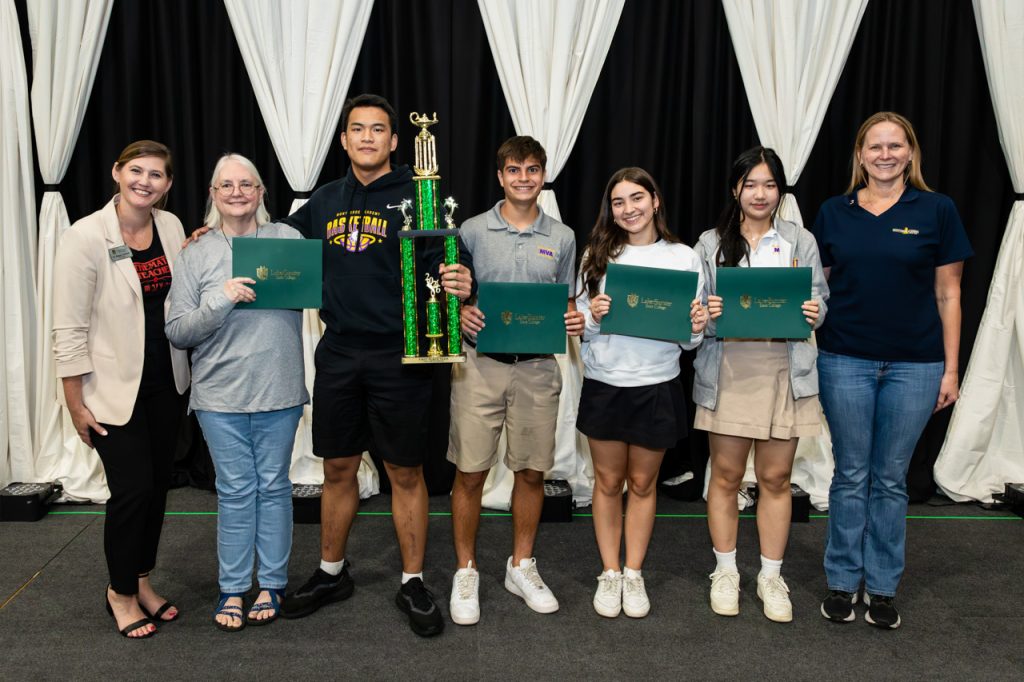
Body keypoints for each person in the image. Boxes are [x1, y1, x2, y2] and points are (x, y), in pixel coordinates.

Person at [276, 94, 473, 637]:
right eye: (357, 129)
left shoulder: (420, 194)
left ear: (393, 141)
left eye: (377, 129)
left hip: (401, 356)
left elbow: (451, 257)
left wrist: (463, 278)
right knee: (337, 468)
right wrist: (219, 235)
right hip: (338, 351)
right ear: (343, 140)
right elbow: (273, 243)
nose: (366, 137)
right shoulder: (323, 200)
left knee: (404, 472)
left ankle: (412, 581)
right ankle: (330, 572)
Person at [812, 112, 973, 630]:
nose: (885, 154)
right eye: (875, 146)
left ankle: (881, 588)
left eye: (895, 145)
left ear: (910, 153)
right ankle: (842, 581)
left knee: (890, 479)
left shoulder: (937, 209)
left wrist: (951, 370)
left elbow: (949, 293)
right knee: (851, 474)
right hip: (844, 360)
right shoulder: (833, 212)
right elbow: (819, 288)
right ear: (860, 155)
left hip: (917, 365)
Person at [53, 140, 190, 639]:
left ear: (168, 185)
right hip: (110, 391)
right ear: (117, 172)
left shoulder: (171, 227)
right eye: (136, 171)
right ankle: (119, 592)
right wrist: (74, 403)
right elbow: (67, 327)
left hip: (166, 385)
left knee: (155, 493)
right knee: (131, 492)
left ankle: (142, 581)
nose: (145, 182)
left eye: (156, 175)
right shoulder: (84, 237)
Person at [165, 154, 308, 632]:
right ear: (212, 194)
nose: (236, 192)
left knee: (274, 488)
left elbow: (319, 290)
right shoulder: (195, 254)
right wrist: (222, 297)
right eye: (225, 184)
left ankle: (271, 583)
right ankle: (232, 588)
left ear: (261, 192)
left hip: (280, 390)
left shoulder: (287, 240)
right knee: (234, 492)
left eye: (246, 184)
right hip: (219, 397)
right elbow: (178, 330)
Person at [448, 136, 584, 625]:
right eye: (514, 170)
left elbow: (567, 301)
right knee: (469, 472)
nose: (523, 178)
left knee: (532, 472)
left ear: (543, 175)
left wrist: (574, 319)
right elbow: (453, 294)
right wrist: (461, 312)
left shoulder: (564, 236)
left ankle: (521, 564)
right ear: (500, 176)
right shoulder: (471, 230)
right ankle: (466, 569)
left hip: (538, 368)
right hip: (480, 366)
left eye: (532, 169)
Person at [692, 146, 828, 623]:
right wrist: (705, 315)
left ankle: (771, 575)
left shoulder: (799, 239)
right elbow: (695, 313)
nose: (760, 193)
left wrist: (815, 311)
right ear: (736, 189)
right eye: (750, 184)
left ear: (780, 191)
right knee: (726, 478)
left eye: (770, 185)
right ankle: (725, 570)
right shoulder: (710, 243)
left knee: (775, 480)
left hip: (784, 369)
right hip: (729, 369)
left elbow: (818, 299)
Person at [575, 167, 708, 618]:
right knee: (608, 483)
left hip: (656, 383)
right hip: (605, 384)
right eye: (618, 202)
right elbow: (583, 330)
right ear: (610, 210)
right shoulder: (596, 254)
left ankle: (634, 573)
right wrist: (592, 313)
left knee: (643, 483)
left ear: (655, 200)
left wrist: (696, 324)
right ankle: (609, 572)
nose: (628, 209)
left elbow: (691, 341)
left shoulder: (684, 257)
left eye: (636, 198)